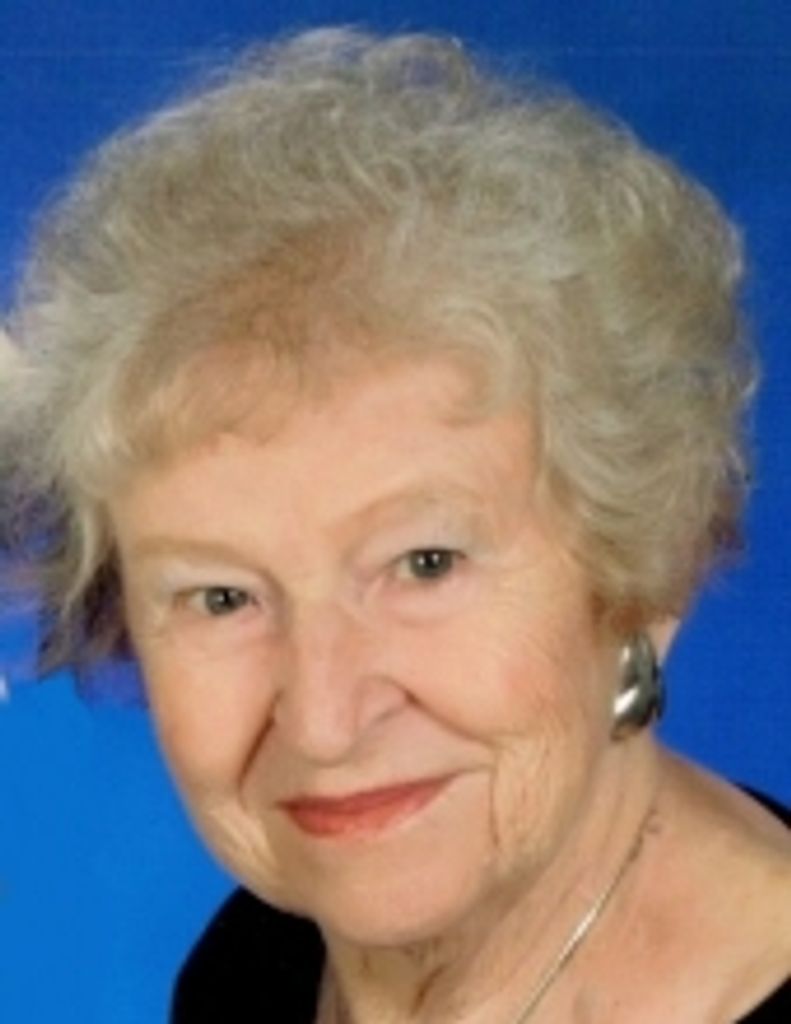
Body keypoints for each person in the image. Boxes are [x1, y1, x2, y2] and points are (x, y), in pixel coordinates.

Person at [1, 27, 789, 1023]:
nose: (323, 725)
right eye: (222, 596)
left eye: (424, 563)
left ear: (642, 571)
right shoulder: (258, 964)